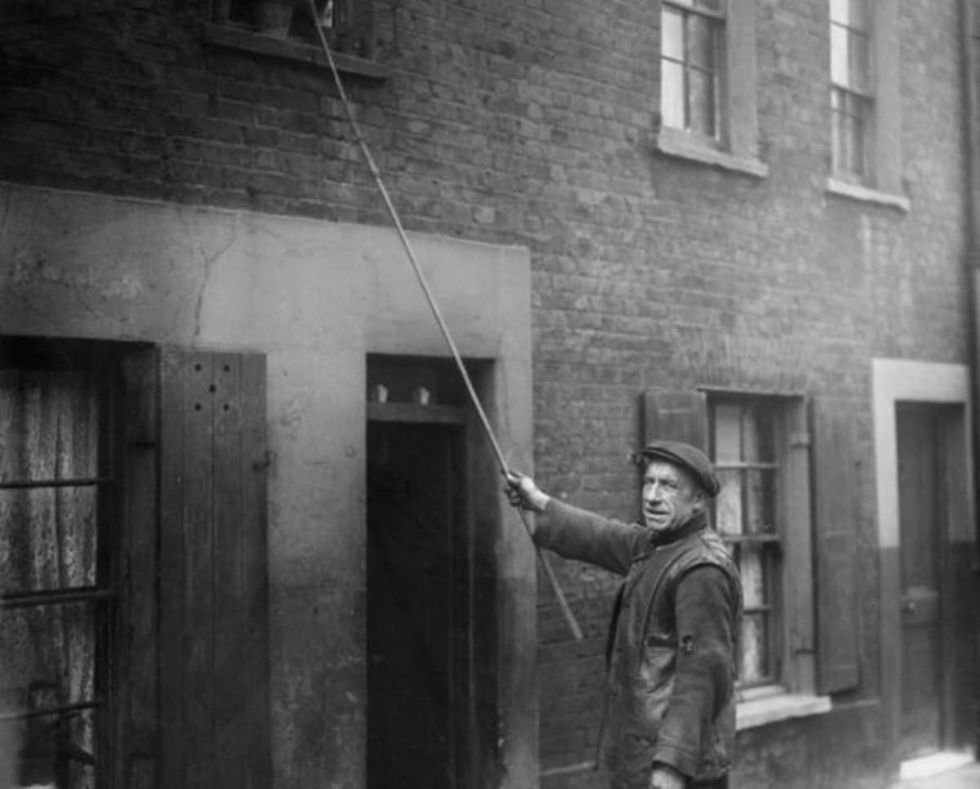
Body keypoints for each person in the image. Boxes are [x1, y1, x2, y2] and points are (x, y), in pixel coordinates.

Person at [506, 440, 742, 789]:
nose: (652, 496)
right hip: (642, 757)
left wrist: (672, 765)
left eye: (669, 486)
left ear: (698, 501)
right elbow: (602, 535)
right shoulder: (658, 545)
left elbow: (702, 676)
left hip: (676, 768)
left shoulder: (701, 568)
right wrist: (538, 501)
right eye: (649, 482)